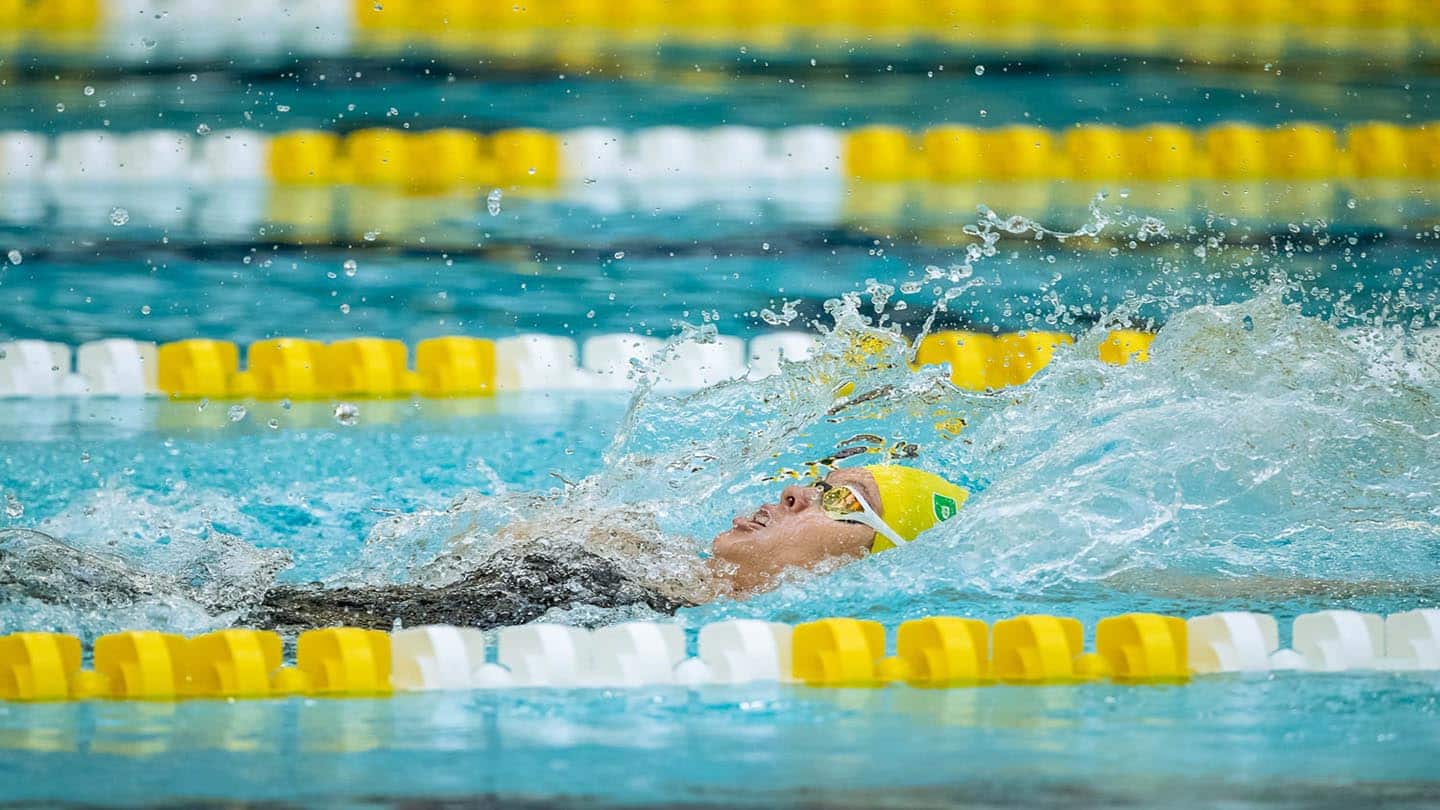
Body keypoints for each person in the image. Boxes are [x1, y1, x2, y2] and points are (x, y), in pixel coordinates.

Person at [249, 464, 969, 631]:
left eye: (841, 502)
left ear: (869, 563)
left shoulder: (649, 615)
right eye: (816, 482)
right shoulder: (645, 563)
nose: (791, 494)